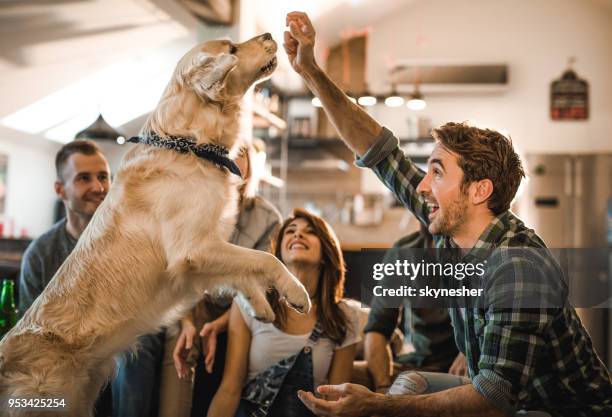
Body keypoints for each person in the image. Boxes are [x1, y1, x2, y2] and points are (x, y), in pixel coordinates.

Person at [283, 11, 612, 417]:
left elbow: (493, 399)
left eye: (436, 173)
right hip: (512, 400)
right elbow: (381, 152)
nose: (422, 186)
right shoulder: (454, 225)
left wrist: (376, 406)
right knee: (410, 386)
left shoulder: (519, 266)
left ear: (479, 191)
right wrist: (311, 71)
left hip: (562, 411)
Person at [160, 140, 283, 417]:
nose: (230, 159)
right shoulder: (191, 209)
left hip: (240, 308)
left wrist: (220, 324)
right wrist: (188, 321)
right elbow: (177, 271)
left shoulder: (267, 218)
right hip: (193, 300)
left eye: (239, 154)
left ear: (250, 165)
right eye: (223, 154)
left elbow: (261, 285)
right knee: (181, 337)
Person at [206, 208, 362, 417]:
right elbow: (229, 390)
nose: (298, 234)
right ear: (278, 252)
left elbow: (335, 404)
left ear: (326, 252)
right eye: (290, 231)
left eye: (310, 231)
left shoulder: (345, 315)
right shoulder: (251, 302)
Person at [18, 139, 114, 416]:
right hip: (62, 365)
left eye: (103, 177)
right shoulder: (40, 254)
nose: (98, 188)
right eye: (84, 178)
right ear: (60, 189)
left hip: (117, 358)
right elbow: (30, 336)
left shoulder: (128, 244)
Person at [353, 225, 462, 393]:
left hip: (468, 365)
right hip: (417, 364)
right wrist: (382, 388)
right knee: (350, 374)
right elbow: (377, 328)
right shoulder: (404, 251)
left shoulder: (481, 248)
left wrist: (470, 353)